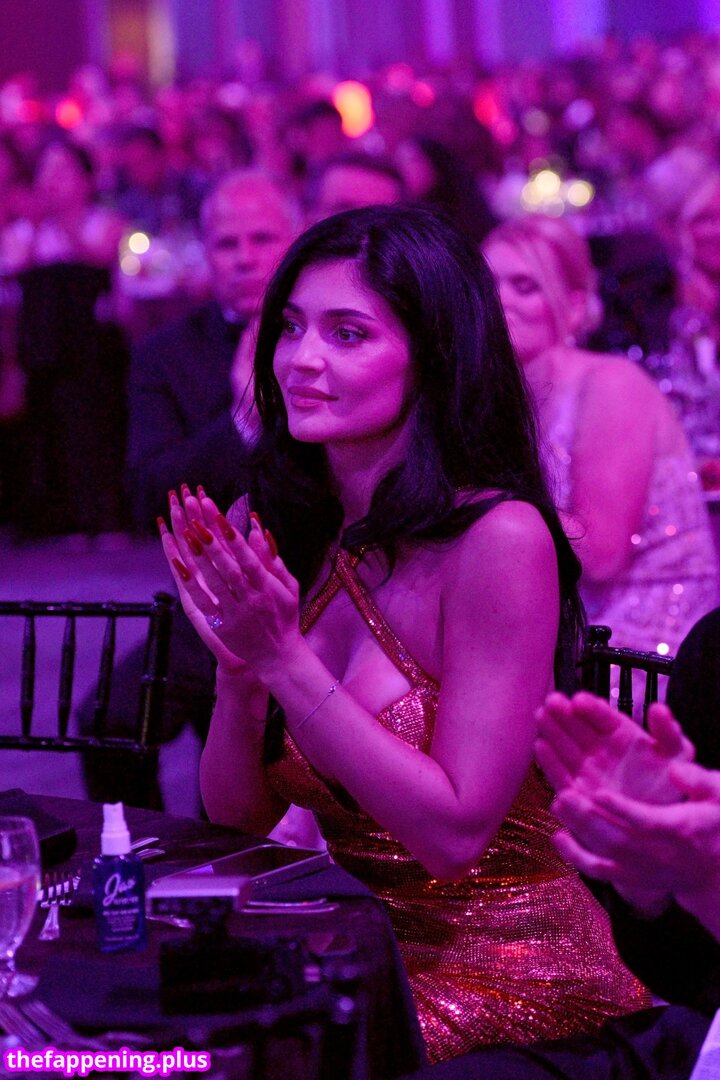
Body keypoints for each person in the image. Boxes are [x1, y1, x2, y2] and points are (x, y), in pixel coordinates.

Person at [159, 205, 648, 1064]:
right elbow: (238, 819)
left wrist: (285, 658)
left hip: (516, 985)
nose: (302, 359)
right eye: (291, 327)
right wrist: (240, 678)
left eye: (347, 334)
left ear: (433, 358)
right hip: (359, 957)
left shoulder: (498, 540)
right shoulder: (291, 525)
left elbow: (454, 837)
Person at [79, 169, 300, 812]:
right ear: (206, 252)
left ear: (293, 242)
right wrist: (241, 423)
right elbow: (148, 488)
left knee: (243, 782)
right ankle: (142, 854)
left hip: (318, 590)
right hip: (209, 601)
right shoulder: (165, 353)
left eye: (262, 239)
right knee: (108, 722)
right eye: (228, 243)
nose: (245, 257)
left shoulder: (328, 337)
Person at [484, 214, 718, 662]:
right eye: (487, 284)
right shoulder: (496, 400)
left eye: (524, 286)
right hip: (564, 634)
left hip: (641, 649)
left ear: (573, 307)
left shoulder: (611, 384)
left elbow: (599, 555)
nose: (500, 300)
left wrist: (480, 496)